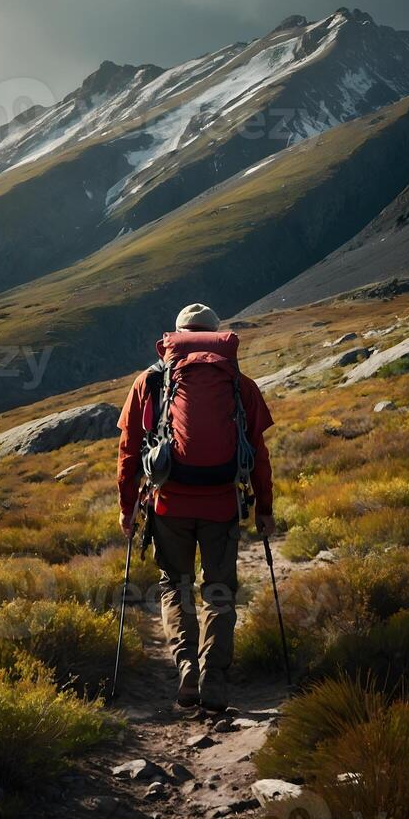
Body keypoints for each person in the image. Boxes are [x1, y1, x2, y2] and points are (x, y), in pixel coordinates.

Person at [117, 303, 275, 711]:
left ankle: (186, 666)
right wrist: (264, 509)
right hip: (222, 504)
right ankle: (214, 679)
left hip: (168, 504)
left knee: (176, 587)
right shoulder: (241, 385)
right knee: (220, 593)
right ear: (216, 337)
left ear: (175, 337)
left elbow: (128, 452)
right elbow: (257, 452)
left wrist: (127, 506)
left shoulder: (148, 383)